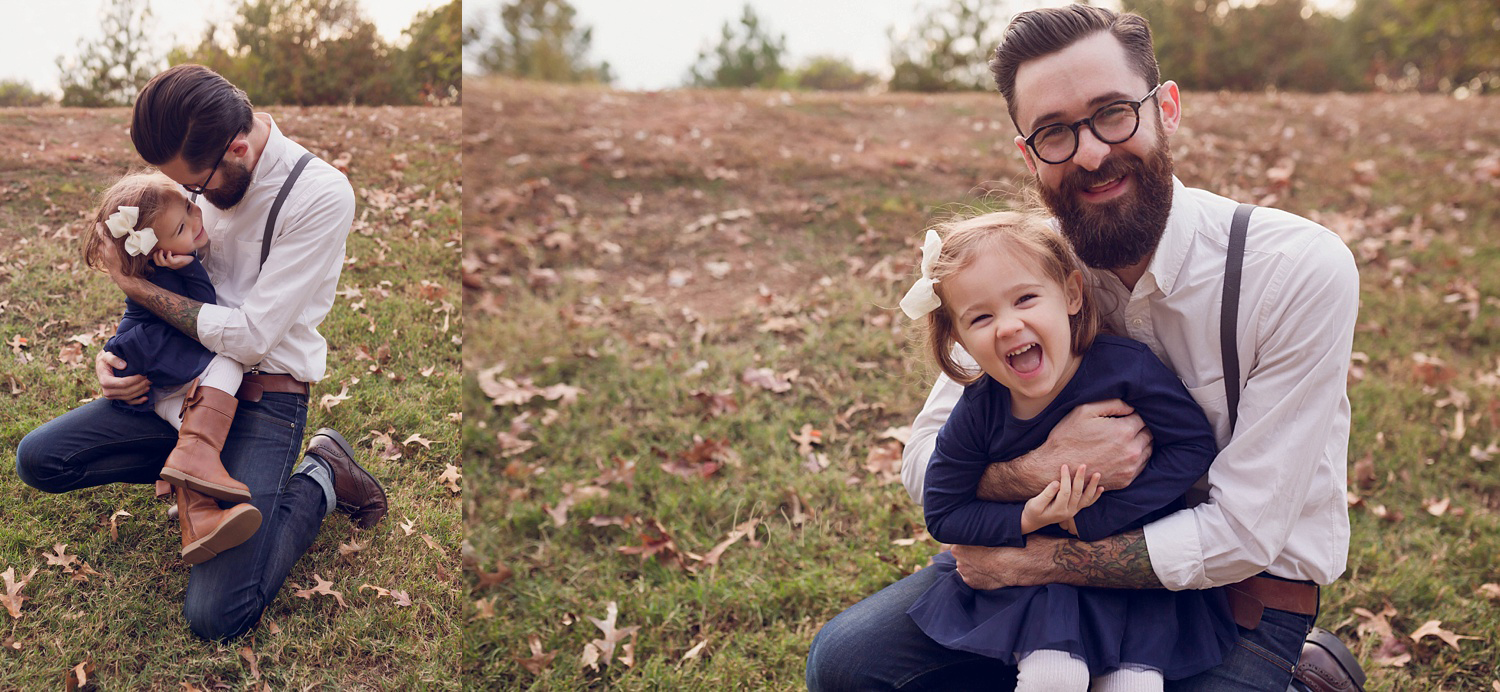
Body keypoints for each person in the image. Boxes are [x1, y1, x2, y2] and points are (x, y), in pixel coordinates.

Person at [806, 5, 1359, 690]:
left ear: (1167, 109)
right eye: (1055, 132)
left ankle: (1306, 676)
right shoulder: (1024, 271)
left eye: (1113, 113)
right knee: (849, 666)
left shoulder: (1294, 271)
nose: (1091, 152)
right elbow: (925, 465)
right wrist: (1040, 469)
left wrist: (1030, 560)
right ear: (1029, 154)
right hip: (1038, 583)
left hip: (1232, 598)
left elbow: (1245, 533)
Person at [14, 64, 389, 641]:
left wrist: (139, 288)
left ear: (238, 147)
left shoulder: (319, 194)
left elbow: (250, 337)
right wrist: (118, 358)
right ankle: (195, 471)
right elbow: (166, 284)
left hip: (265, 395)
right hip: (172, 384)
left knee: (217, 618)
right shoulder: (191, 178)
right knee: (40, 458)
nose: (191, 200)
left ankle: (322, 475)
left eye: (197, 188)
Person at [900, 212, 1235, 690]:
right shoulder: (978, 410)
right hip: (1038, 583)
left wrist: (1098, 517)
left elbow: (1192, 447)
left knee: (1134, 685)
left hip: (1127, 569)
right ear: (960, 341)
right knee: (1055, 675)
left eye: (1026, 298)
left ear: (1072, 295)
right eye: (981, 316)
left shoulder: (1126, 370)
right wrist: (1028, 518)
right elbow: (944, 512)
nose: (1009, 325)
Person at [83, 171, 260, 563]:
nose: (197, 220)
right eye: (183, 226)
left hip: (152, 369)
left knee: (190, 423)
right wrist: (188, 267)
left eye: (190, 206)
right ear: (155, 253)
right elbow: (204, 306)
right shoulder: (170, 270)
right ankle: (192, 468)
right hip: (159, 355)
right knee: (228, 363)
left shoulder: (164, 254)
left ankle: (197, 514)